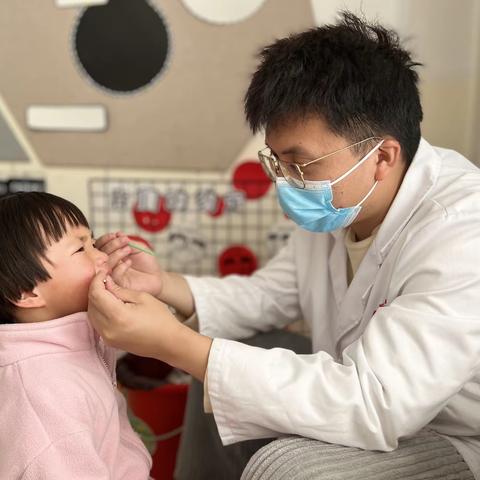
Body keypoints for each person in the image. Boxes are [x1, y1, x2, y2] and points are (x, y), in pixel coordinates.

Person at [88, 12, 480, 480]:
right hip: (370, 396)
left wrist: (173, 344)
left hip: (452, 434)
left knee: (286, 467)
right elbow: (269, 295)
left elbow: (376, 400)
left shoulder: (461, 232)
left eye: (300, 164)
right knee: (220, 355)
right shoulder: (346, 200)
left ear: (383, 156)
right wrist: (163, 285)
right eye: (277, 160)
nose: (285, 182)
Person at [0, 192, 152, 479]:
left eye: (93, 242)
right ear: (27, 292)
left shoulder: (75, 346)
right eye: (80, 250)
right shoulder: (45, 394)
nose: (103, 256)